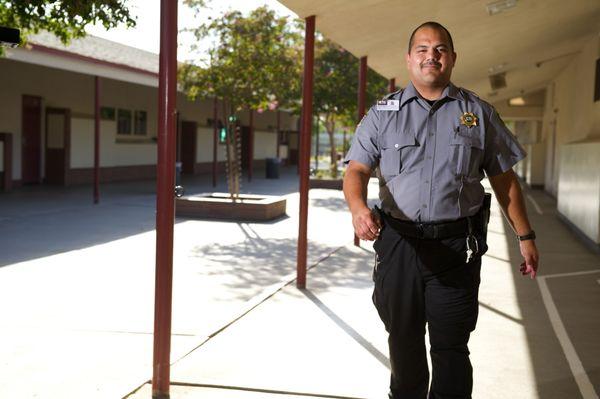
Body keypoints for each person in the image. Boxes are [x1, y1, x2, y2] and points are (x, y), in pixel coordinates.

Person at [343, 21, 540, 399]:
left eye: (440, 49)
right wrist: (357, 208)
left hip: (455, 248)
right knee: (403, 342)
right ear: (409, 58)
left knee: (451, 348)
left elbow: (504, 181)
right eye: (422, 49)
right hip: (399, 246)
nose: (431, 55)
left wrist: (526, 236)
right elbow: (357, 170)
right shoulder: (383, 114)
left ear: (452, 58)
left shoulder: (478, 113)